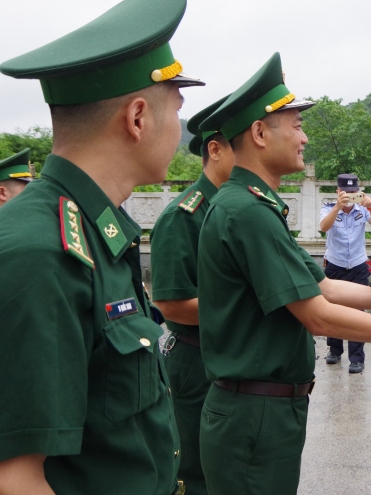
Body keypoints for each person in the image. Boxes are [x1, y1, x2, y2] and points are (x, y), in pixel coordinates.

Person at [195, 52, 371, 495]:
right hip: (254, 414)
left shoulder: (251, 206)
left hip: (260, 409)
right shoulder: (246, 212)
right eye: (295, 126)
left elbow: (324, 286)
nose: (305, 137)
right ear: (259, 132)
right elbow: (319, 316)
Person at [0, 0, 204, 493]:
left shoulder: (96, 231)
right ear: (137, 118)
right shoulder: (43, 252)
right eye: (176, 110)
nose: (181, 130)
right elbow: (17, 479)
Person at [149, 94, 234, 495]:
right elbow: (170, 304)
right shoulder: (183, 216)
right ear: (214, 151)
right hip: (195, 360)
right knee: (195, 474)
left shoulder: (240, 211)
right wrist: (248, 311)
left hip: (233, 356)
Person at [319, 173, 371, 373]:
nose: (349, 196)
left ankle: (357, 358)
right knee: (333, 309)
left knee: (358, 311)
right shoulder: (328, 208)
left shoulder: (362, 209)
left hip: (357, 265)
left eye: (353, 192)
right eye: (345, 192)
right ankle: (334, 350)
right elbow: (323, 227)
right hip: (335, 265)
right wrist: (338, 207)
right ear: (337, 192)